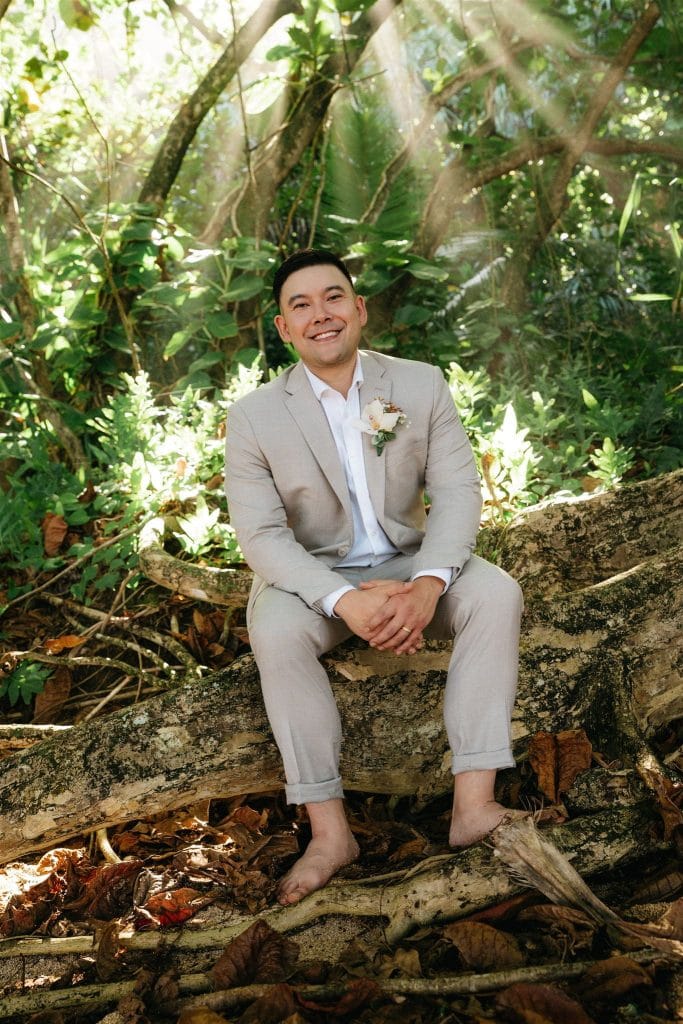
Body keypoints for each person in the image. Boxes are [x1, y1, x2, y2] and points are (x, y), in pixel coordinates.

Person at [224, 249, 523, 906]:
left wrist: (426, 586)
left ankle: (473, 806)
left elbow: (457, 491)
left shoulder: (417, 384)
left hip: (410, 561)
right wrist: (345, 601)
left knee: (496, 594)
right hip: (315, 577)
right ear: (282, 328)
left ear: (358, 309)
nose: (319, 314)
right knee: (274, 633)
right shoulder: (254, 415)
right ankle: (330, 833)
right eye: (300, 305)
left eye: (333, 297)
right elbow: (263, 538)